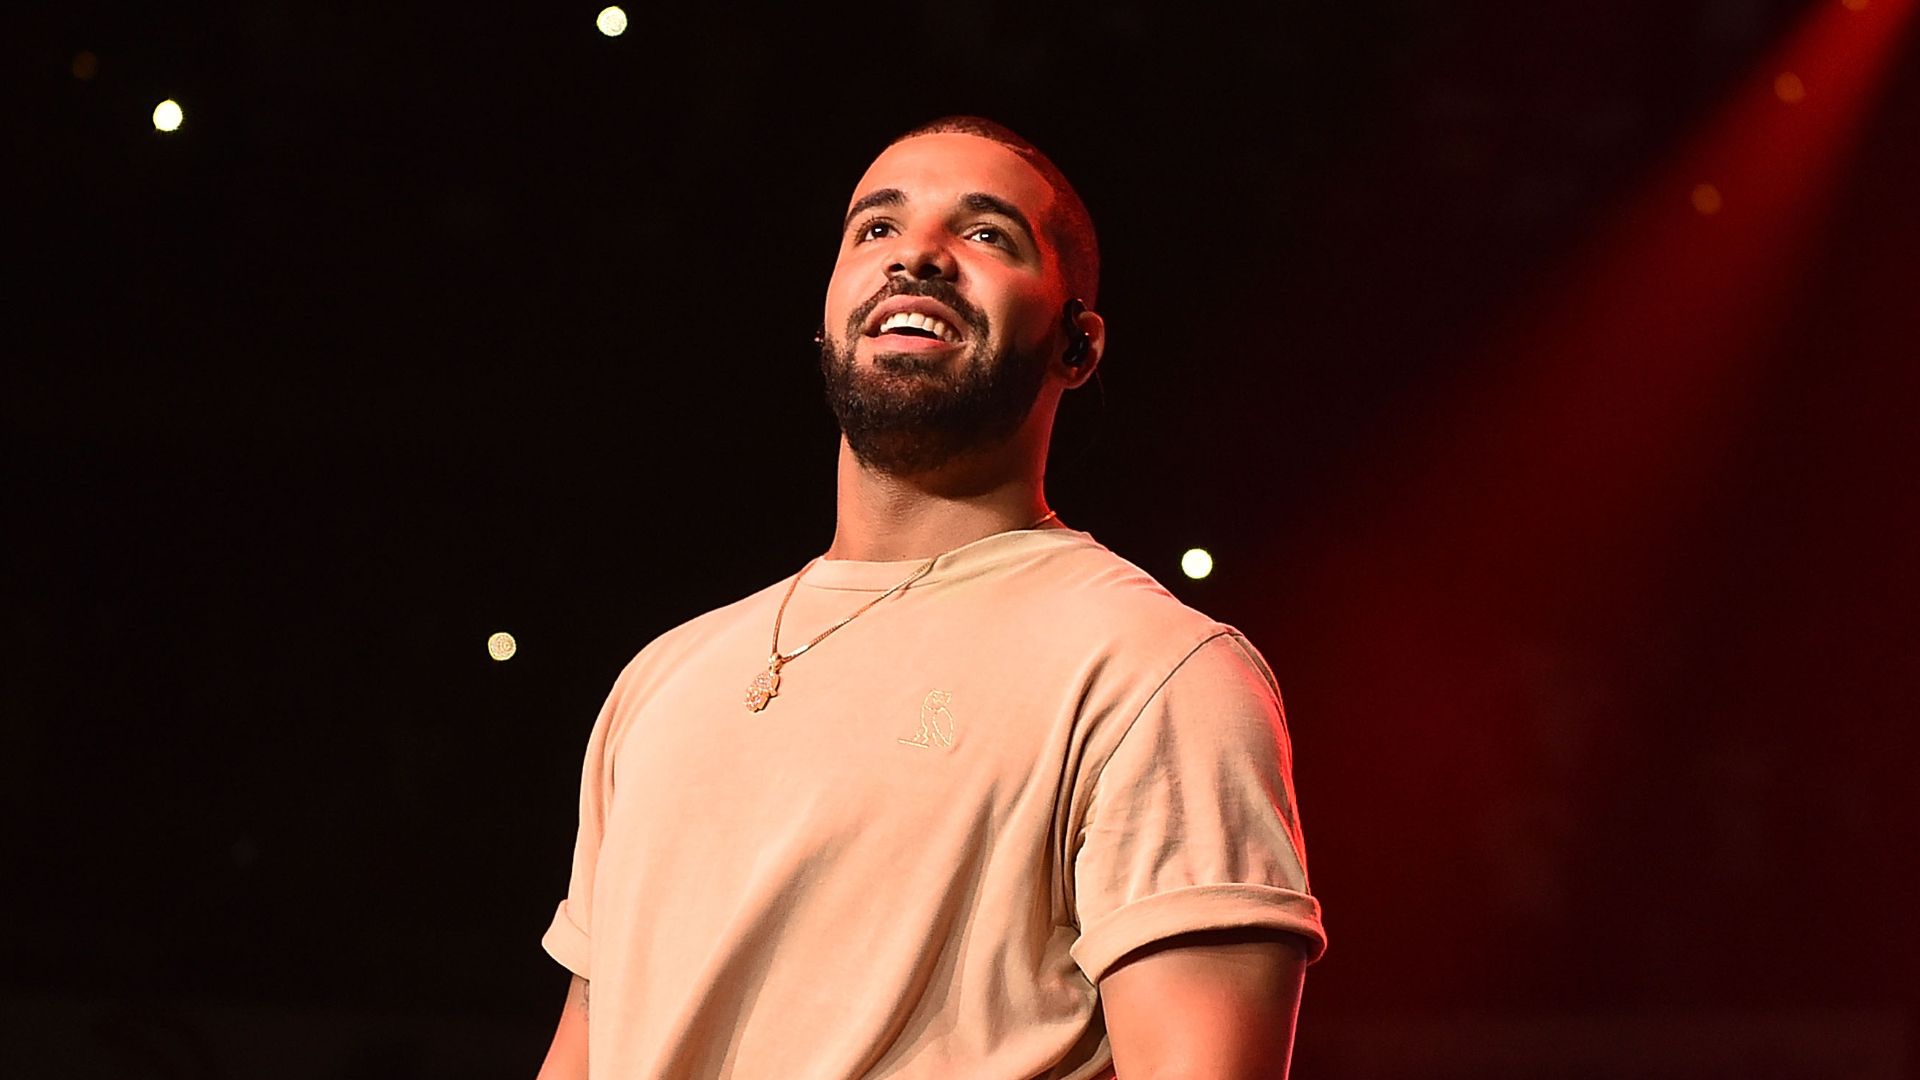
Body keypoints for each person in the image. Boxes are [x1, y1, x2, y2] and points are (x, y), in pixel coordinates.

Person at [535, 116, 1325, 1080]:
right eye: (876, 229)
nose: (917, 255)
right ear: (826, 311)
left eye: (987, 233)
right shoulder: (662, 678)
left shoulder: (1154, 671)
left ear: (1078, 344)